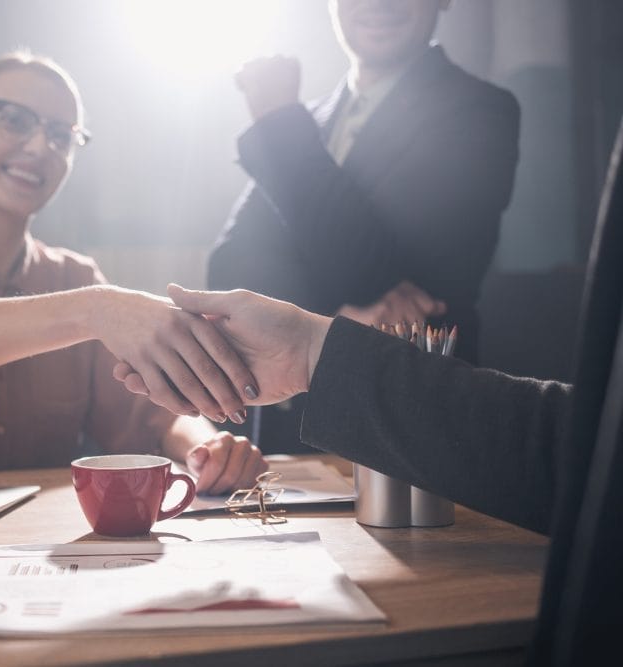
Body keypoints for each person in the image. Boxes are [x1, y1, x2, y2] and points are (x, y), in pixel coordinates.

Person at [116, 116, 623, 666]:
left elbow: (409, 273)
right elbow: (236, 258)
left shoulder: (471, 115)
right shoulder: (311, 117)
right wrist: (313, 342)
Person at [0, 52, 266, 494]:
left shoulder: (75, 276)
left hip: (38, 546)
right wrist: (94, 308)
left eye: (62, 135)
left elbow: (151, 415)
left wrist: (208, 449)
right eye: (14, 119)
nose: (42, 148)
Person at [209, 0, 520, 452]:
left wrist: (278, 123)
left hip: (410, 425)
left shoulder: (481, 111)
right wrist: (332, 325)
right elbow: (228, 268)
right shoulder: (307, 120)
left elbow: (375, 269)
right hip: (287, 434)